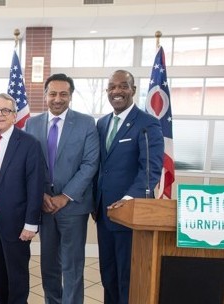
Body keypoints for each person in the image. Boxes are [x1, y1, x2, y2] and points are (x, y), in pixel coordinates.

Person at [24, 73, 99, 304]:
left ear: (71, 96)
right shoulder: (32, 123)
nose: (58, 99)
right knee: (49, 266)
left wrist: (65, 197)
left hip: (73, 207)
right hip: (44, 206)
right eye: (53, 93)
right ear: (45, 95)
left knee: (73, 266)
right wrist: (41, 195)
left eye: (63, 94)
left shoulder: (86, 123)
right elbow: (28, 164)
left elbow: (90, 164)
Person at [95, 70, 164, 304]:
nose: (117, 91)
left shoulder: (148, 124)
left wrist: (127, 200)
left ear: (133, 90)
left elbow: (150, 170)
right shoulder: (102, 123)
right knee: (108, 275)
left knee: (127, 276)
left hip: (129, 213)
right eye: (112, 87)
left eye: (123, 86)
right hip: (104, 214)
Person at [0, 93, 45, 304]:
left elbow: (35, 186)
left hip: (17, 221)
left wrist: (31, 223)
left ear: (14, 116)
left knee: (16, 273)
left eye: (6, 110)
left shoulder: (29, 144)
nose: (0, 114)